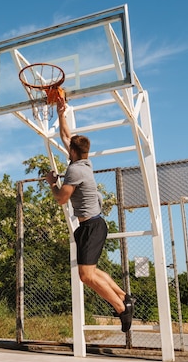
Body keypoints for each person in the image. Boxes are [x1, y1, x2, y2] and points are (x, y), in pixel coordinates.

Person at [45, 98, 134, 332]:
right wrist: (60, 112)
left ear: (72, 153)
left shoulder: (74, 170)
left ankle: (121, 308)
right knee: (91, 271)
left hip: (92, 227)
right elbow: (66, 136)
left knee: (86, 276)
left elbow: (61, 198)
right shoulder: (84, 162)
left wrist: (53, 183)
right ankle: (124, 296)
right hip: (91, 226)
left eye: (69, 148)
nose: (67, 147)